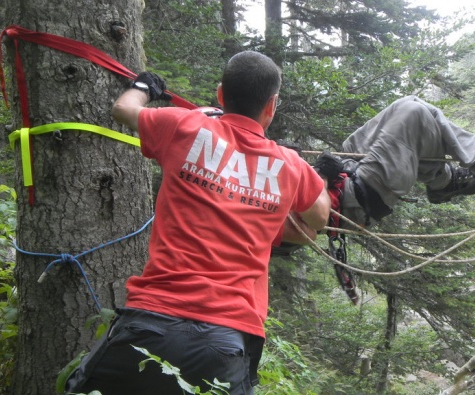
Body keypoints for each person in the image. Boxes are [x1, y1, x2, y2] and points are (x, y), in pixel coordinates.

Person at [66, 51, 331, 394]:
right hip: (226, 337)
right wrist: (317, 175)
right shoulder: (290, 165)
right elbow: (320, 215)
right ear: (272, 105)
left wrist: (144, 86)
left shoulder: (184, 125)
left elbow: (124, 109)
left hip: (152, 320)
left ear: (221, 94)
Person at [311, 96, 475, 228]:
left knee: (410, 102)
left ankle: (445, 181)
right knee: (413, 113)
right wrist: (321, 176)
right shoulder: (275, 195)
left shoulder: (274, 163)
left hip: (348, 174)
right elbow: (315, 218)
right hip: (357, 197)